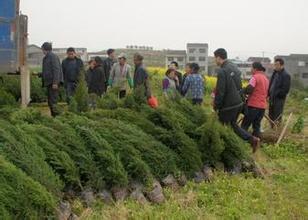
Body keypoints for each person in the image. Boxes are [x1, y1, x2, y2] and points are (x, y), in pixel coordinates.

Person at [213, 48, 260, 152]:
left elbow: (221, 92)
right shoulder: (233, 66)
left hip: (229, 104)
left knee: (221, 125)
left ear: (218, 57)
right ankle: (251, 139)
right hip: (238, 102)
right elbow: (238, 86)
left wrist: (216, 106)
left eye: (214, 58)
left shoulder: (222, 70)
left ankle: (222, 148)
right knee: (232, 125)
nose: (214, 61)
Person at [241, 62, 269, 138]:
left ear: (255, 69)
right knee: (256, 126)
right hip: (262, 107)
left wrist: (242, 90)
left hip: (253, 105)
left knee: (244, 125)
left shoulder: (255, 77)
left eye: (251, 68)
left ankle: (241, 142)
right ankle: (256, 142)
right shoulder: (265, 79)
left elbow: (249, 89)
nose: (251, 69)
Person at [41, 42, 63, 117]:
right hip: (49, 82)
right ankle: (54, 116)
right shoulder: (47, 57)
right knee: (50, 102)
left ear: (44, 49)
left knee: (53, 101)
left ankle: (57, 117)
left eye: (42, 49)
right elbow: (48, 70)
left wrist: (55, 82)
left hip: (53, 83)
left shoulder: (52, 57)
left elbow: (56, 70)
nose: (42, 51)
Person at [268, 58, 291, 127]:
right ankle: (272, 129)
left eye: (277, 65)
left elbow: (285, 90)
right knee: (270, 115)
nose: (275, 66)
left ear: (282, 65)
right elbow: (271, 85)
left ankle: (277, 130)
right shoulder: (275, 73)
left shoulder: (286, 75)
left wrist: (277, 94)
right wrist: (268, 94)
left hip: (279, 99)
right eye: (275, 65)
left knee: (277, 115)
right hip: (272, 98)